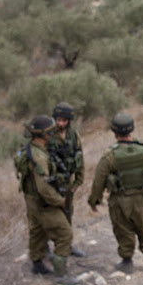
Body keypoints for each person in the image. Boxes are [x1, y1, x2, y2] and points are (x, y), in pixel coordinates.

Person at [87, 112, 143, 273]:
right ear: (131, 129)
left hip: (120, 201)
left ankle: (127, 261)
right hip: (142, 198)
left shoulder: (110, 156)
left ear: (114, 132)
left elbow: (98, 181)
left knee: (123, 230)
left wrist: (94, 201)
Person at [15, 115, 79, 285]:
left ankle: (37, 264)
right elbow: (44, 188)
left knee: (37, 230)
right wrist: (60, 201)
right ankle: (60, 274)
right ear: (42, 134)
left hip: (31, 199)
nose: (52, 134)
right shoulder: (40, 157)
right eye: (49, 132)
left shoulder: (32, 148)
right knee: (65, 234)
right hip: (43, 202)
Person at [48, 101, 86, 257]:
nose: (60, 123)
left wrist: (77, 182)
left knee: (67, 214)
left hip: (68, 182)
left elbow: (80, 158)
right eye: (58, 120)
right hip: (51, 183)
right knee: (49, 216)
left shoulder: (73, 135)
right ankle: (45, 248)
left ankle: (67, 245)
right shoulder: (48, 134)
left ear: (69, 120)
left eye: (63, 120)